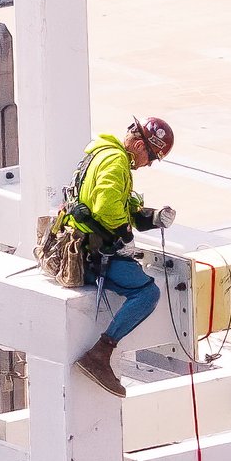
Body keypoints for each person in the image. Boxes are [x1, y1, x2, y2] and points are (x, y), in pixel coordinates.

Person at [65, 116, 179, 395]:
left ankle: (100, 354)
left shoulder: (102, 153)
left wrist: (152, 218)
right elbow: (106, 208)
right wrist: (124, 236)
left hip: (82, 248)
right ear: (140, 145)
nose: (148, 164)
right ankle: (99, 354)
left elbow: (121, 206)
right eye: (150, 157)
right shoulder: (116, 163)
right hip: (89, 256)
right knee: (147, 293)